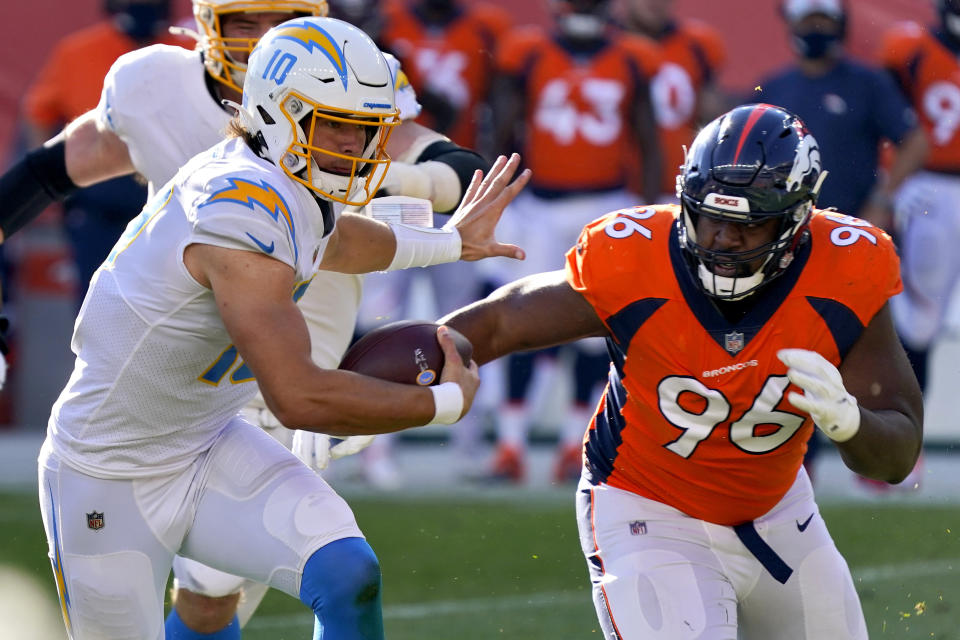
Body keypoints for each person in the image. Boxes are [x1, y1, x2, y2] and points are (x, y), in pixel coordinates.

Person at [0, 0, 489, 636]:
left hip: (210, 435)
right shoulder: (240, 208)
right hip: (110, 471)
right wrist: (445, 404)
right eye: (333, 125)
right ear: (280, 116)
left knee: (347, 571)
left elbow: (336, 240)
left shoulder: (281, 175)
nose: (356, 146)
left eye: (367, 128)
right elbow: (299, 395)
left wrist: (451, 244)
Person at [440, 104, 923, 639]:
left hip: (778, 511)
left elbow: (897, 457)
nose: (722, 239)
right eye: (710, 217)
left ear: (797, 217)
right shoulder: (633, 257)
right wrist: (382, 384)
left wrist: (850, 423)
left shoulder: (849, 268)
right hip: (647, 508)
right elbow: (498, 324)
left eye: (749, 222)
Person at [484, 0, 663, 483]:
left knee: (595, 331)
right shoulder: (529, 53)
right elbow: (502, 127)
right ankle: (511, 445)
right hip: (538, 208)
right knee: (520, 321)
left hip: (606, 207)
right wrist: (495, 197)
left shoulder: (631, 57)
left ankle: (573, 444)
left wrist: (647, 214)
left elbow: (648, 137)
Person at [754, 0, 929, 484]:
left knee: (864, 347)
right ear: (789, 23)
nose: (816, 28)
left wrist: (883, 197)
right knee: (788, 351)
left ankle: (878, 451)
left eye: (824, 20)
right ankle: (792, 461)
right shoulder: (775, 87)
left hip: (851, 243)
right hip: (783, 242)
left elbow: (914, 140)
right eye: (808, 19)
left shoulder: (868, 82)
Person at [19, 0, 183, 304]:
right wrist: (56, 185)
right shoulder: (78, 51)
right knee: (98, 304)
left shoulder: (188, 52)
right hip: (99, 204)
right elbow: (38, 113)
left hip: (172, 206)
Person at [881, 0, 960, 393]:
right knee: (920, 321)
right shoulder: (910, 49)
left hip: (932, 187)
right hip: (930, 186)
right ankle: (911, 440)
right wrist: (893, 182)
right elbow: (889, 121)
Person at [616, 0, 728, 202]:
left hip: (682, 185)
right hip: (618, 191)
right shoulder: (608, 47)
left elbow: (711, 113)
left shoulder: (697, 44)